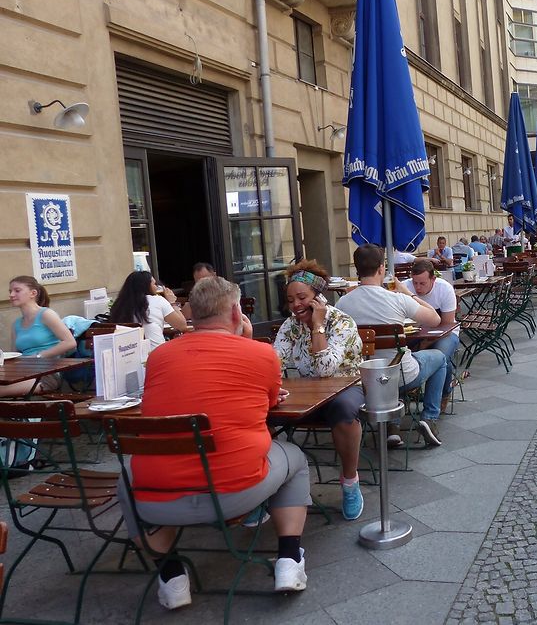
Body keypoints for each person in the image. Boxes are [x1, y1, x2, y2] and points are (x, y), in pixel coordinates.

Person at [117, 276, 312, 610]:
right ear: (237, 312)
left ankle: (171, 574)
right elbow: (267, 401)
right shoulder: (261, 354)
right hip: (234, 495)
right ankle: (289, 560)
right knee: (294, 457)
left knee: (124, 480)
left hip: (155, 501)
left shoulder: (160, 357)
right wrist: (247, 343)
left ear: (192, 313)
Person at [272, 260, 365, 519]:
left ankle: (349, 482)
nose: (296, 305)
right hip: (307, 393)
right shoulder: (290, 326)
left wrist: (318, 326)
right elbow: (274, 361)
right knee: (260, 410)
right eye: (290, 300)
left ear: (318, 298)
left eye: (302, 297)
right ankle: (267, 488)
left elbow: (326, 369)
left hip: (345, 386)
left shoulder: (341, 322)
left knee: (344, 410)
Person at [335, 244, 448, 446]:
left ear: (357, 269)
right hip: (402, 375)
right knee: (439, 358)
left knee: (388, 363)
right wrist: (408, 293)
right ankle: (429, 417)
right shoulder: (397, 299)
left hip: (364, 380)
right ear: (381, 268)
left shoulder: (342, 304)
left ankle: (392, 427)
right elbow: (434, 320)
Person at [400, 259, 458, 413]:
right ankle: (407, 393)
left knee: (441, 357)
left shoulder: (444, 289)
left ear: (433, 279)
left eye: (422, 283)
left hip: (445, 333)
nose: (417, 287)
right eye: (415, 282)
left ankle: (442, 396)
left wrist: (425, 343)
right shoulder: (405, 287)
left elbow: (447, 325)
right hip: (414, 334)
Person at [6, 276, 77, 395]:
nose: (12, 294)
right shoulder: (16, 324)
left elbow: (70, 342)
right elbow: (15, 355)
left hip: (46, 374)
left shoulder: (46, 314)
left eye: (17, 290)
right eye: (10, 291)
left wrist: (38, 356)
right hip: (22, 373)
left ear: (33, 293)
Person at [108, 271, 188, 350]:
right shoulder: (157, 300)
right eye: (154, 284)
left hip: (128, 353)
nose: (157, 287)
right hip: (155, 353)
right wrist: (172, 303)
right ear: (146, 286)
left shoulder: (119, 305)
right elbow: (182, 326)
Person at [181, 263, 253, 338]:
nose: (203, 284)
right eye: (198, 282)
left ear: (214, 275)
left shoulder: (227, 294)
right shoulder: (196, 298)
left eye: (206, 279)